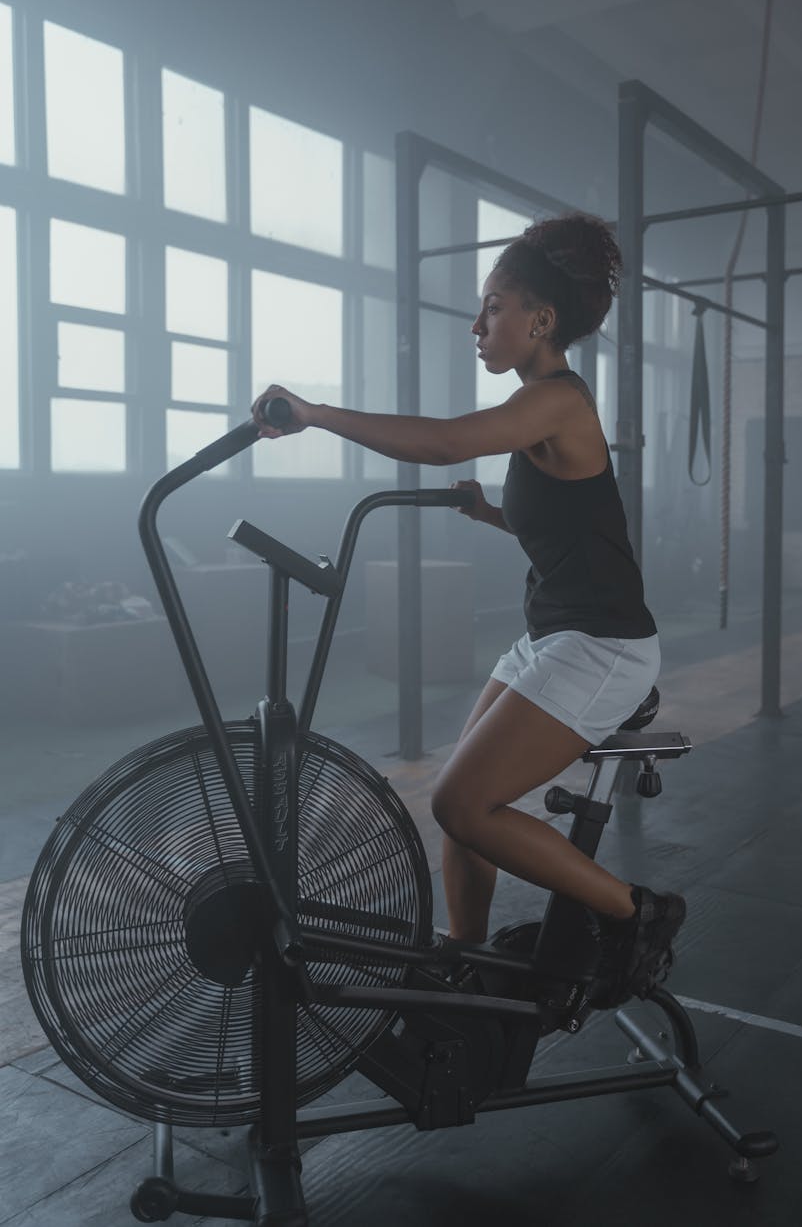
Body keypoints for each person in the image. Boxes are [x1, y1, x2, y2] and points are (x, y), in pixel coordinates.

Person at [252, 212, 685, 1008]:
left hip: (604, 649)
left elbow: (446, 439)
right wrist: (488, 514)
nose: (477, 325)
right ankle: (463, 949)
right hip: (553, 635)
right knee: (460, 802)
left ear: (539, 320)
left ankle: (637, 913)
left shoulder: (556, 402)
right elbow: (566, 521)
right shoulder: (539, 410)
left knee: (461, 801)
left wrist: (315, 414)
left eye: (492, 307)